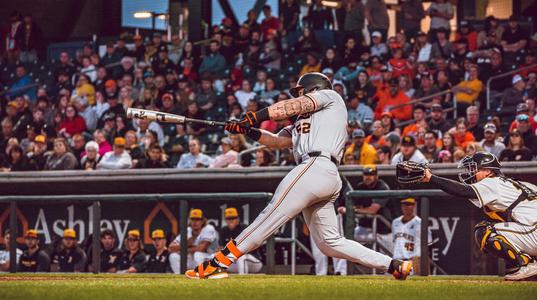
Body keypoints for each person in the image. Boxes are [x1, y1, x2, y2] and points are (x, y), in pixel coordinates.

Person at [186, 72, 412, 279]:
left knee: (270, 215)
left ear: (313, 87)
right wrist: (247, 130)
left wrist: (255, 116)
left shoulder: (330, 97)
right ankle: (393, 265)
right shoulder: (304, 121)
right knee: (330, 243)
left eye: (301, 90)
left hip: (316, 165)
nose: (299, 94)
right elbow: (276, 141)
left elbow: (293, 105)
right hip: (322, 173)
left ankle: (220, 261)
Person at [419, 151, 537, 280]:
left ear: (488, 171)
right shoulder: (521, 184)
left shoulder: (492, 182)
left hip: (534, 231)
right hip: (532, 229)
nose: (471, 173)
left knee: (485, 231)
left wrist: (431, 178)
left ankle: (527, 264)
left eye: (474, 169)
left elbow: (463, 191)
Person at [169, 209, 219, 273]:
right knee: (173, 256)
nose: (195, 222)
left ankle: (203, 276)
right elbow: (170, 248)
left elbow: (201, 248)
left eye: (197, 219)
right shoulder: (188, 230)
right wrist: (186, 244)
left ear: (202, 221)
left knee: (197, 254)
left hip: (210, 258)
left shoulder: (208, 228)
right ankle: (181, 277)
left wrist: (183, 250)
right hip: (193, 260)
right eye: (192, 219)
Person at [392, 198, 432, 275]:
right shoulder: (395, 222)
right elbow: (395, 241)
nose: (407, 207)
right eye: (404, 205)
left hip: (413, 261)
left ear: (414, 206)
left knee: (416, 285)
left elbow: (428, 242)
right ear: (401, 206)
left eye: (409, 204)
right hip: (397, 260)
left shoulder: (420, 222)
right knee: (394, 285)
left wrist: (422, 260)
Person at [219, 208, 263, 274]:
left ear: (238, 219)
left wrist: (235, 253)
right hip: (235, 263)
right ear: (225, 220)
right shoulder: (224, 230)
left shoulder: (245, 229)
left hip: (253, 261)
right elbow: (220, 248)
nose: (231, 220)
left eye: (233, 218)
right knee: (216, 257)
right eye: (228, 218)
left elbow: (252, 248)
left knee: (241, 258)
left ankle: (242, 279)